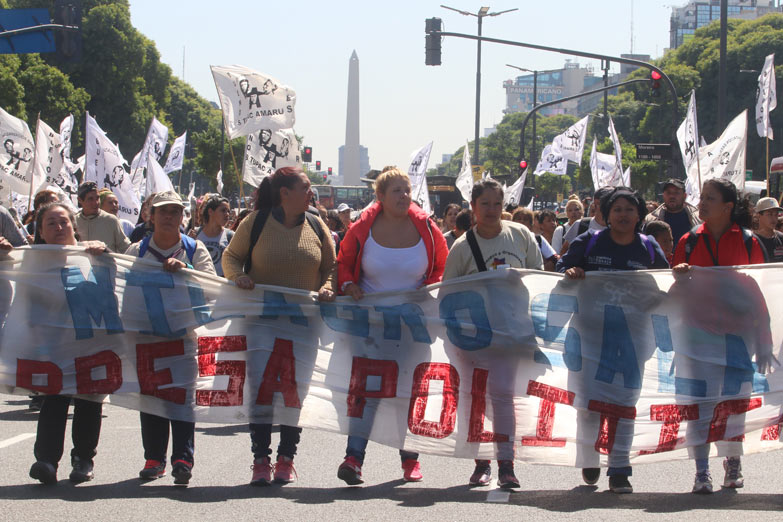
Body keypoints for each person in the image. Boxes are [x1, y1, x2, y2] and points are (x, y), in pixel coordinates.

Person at [222, 166, 336, 486]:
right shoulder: (255, 223)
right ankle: (260, 459)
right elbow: (231, 258)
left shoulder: (316, 224)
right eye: (306, 187)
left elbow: (332, 266)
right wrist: (238, 277)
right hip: (261, 322)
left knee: (294, 392)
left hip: (303, 324)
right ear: (284, 193)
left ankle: (287, 458)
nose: (310, 193)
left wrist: (328, 286)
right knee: (261, 390)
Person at [336, 166, 448, 486]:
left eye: (407, 189)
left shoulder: (426, 227)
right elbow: (343, 262)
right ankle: (353, 458)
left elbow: (443, 264)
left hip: (413, 325)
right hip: (370, 325)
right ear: (380, 196)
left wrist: (431, 285)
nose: (404, 196)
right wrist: (347, 286)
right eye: (396, 190)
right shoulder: (361, 228)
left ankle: (410, 459)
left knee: (409, 392)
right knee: (365, 392)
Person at [557, 188, 669, 494]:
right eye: (616, 209)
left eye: (629, 210)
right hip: (588, 339)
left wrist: (680, 277)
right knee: (589, 406)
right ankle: (590, 457)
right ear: (606, 214)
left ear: (638, 215)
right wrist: (571, 272)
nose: (622, 215)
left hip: (633, 343)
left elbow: (664, 285)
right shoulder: (587, 243)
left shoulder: (648, 247)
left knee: (624, 406)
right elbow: (557, 275)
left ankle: (619, 469)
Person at [443, 179, 542, 489]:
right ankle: (481, 461)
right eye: (484, 203)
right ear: (473, 207)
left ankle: (506, 463)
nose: (491, 210)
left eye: (497, 203)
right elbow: (447, 294)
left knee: (502, 396)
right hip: (474, 338)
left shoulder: (522, 235)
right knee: (474, 399)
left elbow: (538, 278)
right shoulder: (461, 248)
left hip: (511, 335)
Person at [671, 178, 767, 494]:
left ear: (728, 206)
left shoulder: (750, 241)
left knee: (734, 404)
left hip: (738, 339)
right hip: (695, 336)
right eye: (702, 197)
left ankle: (732, 462)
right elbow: (673, 293)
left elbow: (761, 293)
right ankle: (701, 471)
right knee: (699, 404)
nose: (702, 203)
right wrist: (681, 279)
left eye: (710, 198)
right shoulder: (687, 241)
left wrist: (764, 339)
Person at [7, 203, 109, 485]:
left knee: (89, 400)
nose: (59, 228)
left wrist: (102, 253)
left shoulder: (92, 254)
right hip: (52, 345)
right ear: (40, 231)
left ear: (73, 226)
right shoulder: (32, 261)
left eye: (63, 222)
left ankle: (83, 459)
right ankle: (46, 460)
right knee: (54, 400)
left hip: (90, 343)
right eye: (51, 223)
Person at [125, 191, 215, 485]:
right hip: (146, 337)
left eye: (174, 212)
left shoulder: (193, 249)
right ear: (150, 216)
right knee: (150, 397)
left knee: (182, 398)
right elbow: (117, 287)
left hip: (183, 335)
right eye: (162, 211)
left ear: (182, 217)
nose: (168, 217)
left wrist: (187, 271)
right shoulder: (134, 252)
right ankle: (154, 458)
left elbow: (213, 286)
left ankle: (183, 458)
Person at [75, 181, 130, 253]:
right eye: (90, 199)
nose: (95, 203)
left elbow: (126, 249)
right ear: (80, 200)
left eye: (97, 198)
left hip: (106, 264)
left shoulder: (111, 220)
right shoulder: (73, 221)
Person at [645, 178, 701, 248]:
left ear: (684, 196)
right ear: (663, 195)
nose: (672, 196)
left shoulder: (699, 218)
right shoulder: (651, 219)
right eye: (668, 193)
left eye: (676, 193)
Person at [560, 186, 614, 256]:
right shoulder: (580, 225)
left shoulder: (621, 228)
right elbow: (563, 253)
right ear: (596, 203)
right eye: (610, 201)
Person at [195, 194, 234, 277]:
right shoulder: (195, 234)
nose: (227, 214)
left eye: (228, 211)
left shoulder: (230, 236)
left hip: (221, 285)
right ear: (210, 212)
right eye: (223, 210)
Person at [512, 207, 558, 271]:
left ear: (531, 224)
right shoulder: (506, 238)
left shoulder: (538, 239)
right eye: (519, 219)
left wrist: (542, 270)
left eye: (525, 219)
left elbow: (554, 258)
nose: (522, 221)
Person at [753, 197, 783, 263]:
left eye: (776, 214)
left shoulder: (781, 238)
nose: (774, 218)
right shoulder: (750, 240)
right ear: (758, 215)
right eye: (769, 214)